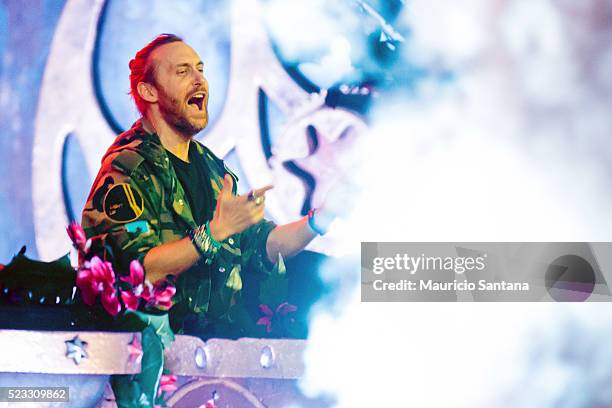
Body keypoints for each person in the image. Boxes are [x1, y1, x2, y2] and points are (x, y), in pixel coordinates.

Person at [81, 34, 331, 337]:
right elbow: (135, 271)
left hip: (219, 353)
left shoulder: (212, 168)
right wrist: (213, 234)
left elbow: (261, 247)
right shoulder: (129, 168)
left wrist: (319, 220)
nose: (200, 80)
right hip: (156, 358)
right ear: (148, 91)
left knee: (343, 277)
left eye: (200, 69)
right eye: (183, 71)